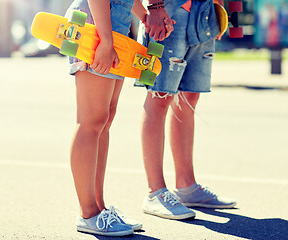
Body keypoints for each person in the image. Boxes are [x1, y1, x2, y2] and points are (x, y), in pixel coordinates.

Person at [65, 0, 175, 236]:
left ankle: (99, 207)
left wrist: (144, 16)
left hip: (116, 26)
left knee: (104, 120)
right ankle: (88, 213)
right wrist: (106, 40)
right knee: (91, 121)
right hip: (97, 24)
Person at [137, 0, 237, 220]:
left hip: (203, 12)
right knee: (160, 95)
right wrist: (154, 7)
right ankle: (155, 192)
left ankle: (186, 186)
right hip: (168, 10)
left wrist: (218, 9)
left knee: (189, 96)